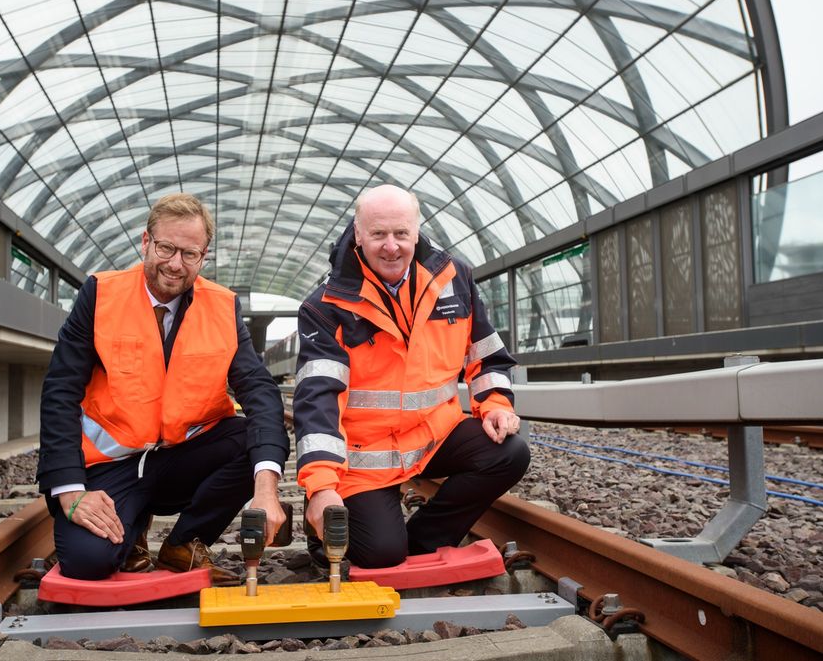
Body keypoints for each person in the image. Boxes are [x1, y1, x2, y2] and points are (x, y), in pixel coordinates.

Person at [37, 192, 289, 584]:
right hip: (112, 466)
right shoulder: (100, 294)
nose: (175, 264)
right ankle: (131, 525)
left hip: (180, 459)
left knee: (250, 439)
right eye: (166, 248)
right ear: (145, 242)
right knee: (88, 562)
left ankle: (183, 542)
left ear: (204, 256)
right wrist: (69, 491)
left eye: (189, 254)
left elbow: (259, 391)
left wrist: (267, 486)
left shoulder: (222, 307)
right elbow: (60, 390)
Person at [294, 184, 530, 569]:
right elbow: (318, 399)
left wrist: (495, 406)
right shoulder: (326, 306)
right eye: (378, 234)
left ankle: (422, 541)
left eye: (401, 233)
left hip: (433, 436)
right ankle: (327, 525)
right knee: (380, 554)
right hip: (363, 460)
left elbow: (486, 356)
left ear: (416, 231)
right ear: (358, 233)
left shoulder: (454, 278)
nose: (391, 246)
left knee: (509, 451)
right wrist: (321, 487)